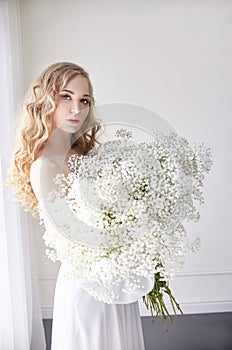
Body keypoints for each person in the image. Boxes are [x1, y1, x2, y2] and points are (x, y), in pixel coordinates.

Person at [8, 62, 149, 350]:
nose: (76, 109)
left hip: (117, 278)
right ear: (46, 101)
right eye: (66, 97)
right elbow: (70, 238)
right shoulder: (44, 167)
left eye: (84, 100)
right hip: (86, 286)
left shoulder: (88, 156)